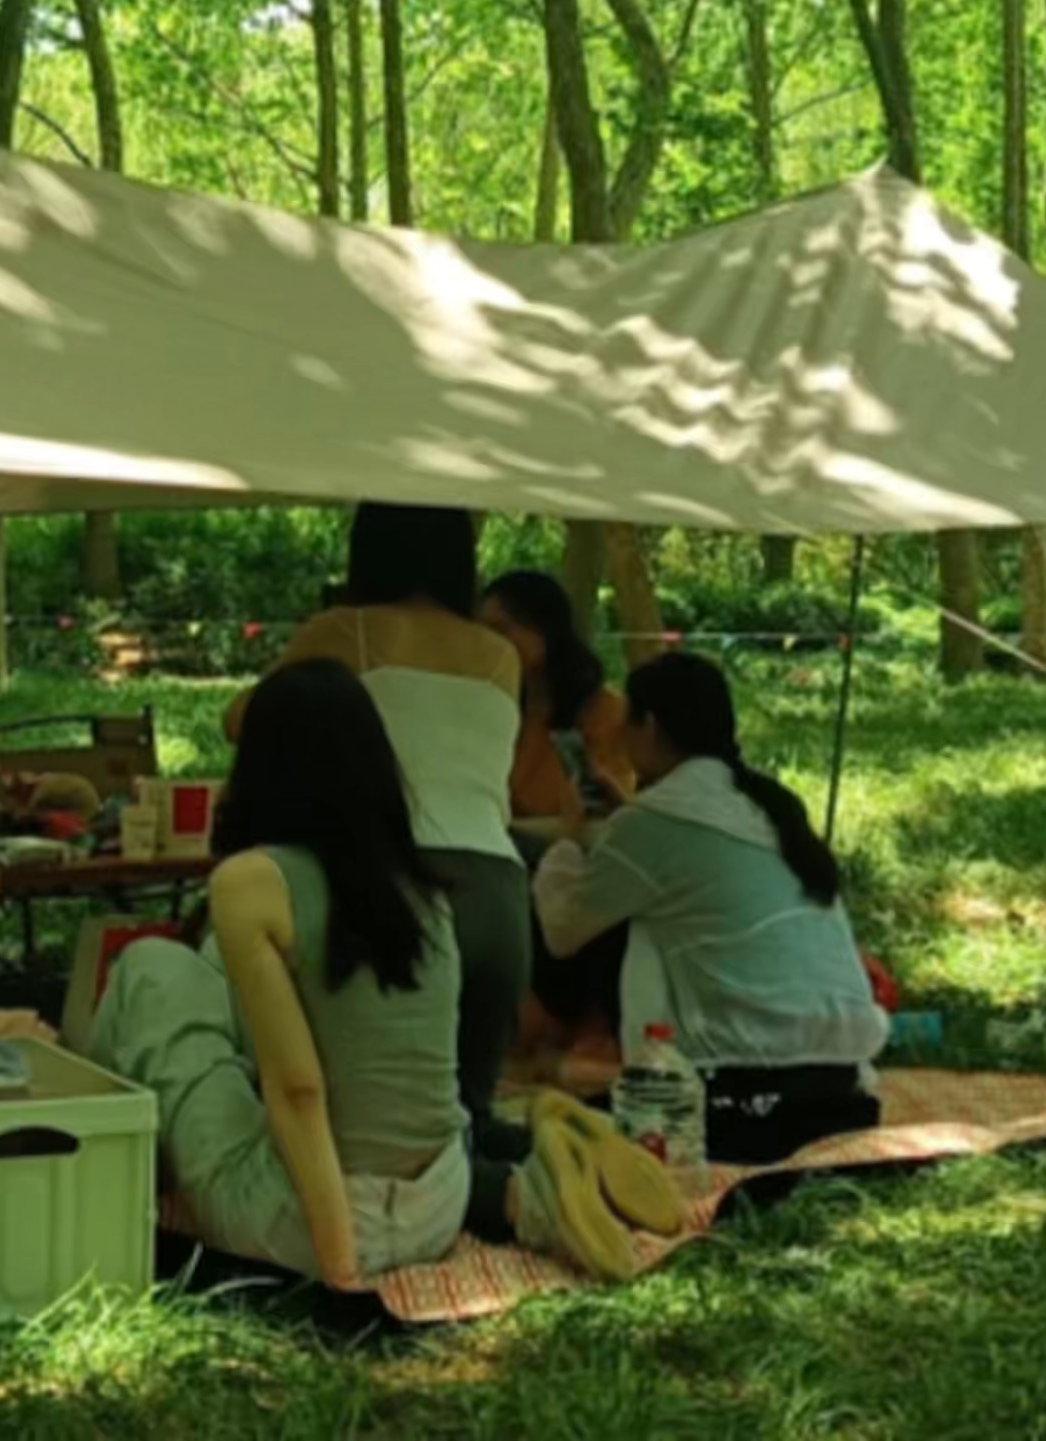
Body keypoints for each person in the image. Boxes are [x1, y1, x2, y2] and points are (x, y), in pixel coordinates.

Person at [83, 661, 677, 1285]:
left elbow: (299, 1091)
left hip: (323, 1218)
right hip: (441, 1204)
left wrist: (341, 1265)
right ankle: (526, 1198)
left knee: (150, 968)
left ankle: (94, 1168)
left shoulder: (250, 883)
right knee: (207, 970)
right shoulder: (423, 890)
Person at [224, 503, 530, 1160]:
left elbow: (244, 720)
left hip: (394, 884)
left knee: (371, 1125)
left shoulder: (345, 630)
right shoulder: (502, 655)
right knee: (468, 1116)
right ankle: (508, 1200)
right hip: (501, 890)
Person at [532, 652, 889, 1165]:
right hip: (844, 1086)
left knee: (560, 1126)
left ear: (648, 726)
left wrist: (569, 835)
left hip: (743, 1093)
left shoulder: (655, 820)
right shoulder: (765, 802)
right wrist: (626, 815)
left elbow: (563, 929)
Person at [480, 570, 637, 824]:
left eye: (501, 629)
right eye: (482, 633)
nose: (489, 643)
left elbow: (605, 812)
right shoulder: (492, 706)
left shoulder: (606, 713)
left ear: (544, 629)